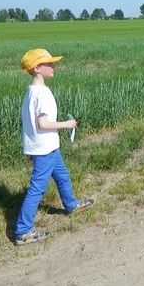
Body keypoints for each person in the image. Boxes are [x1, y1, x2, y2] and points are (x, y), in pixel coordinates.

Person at [14, 48, 95, 245]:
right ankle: (23, 231)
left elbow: (30, 124)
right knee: (37, 189)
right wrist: (67, 124)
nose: (53, 66)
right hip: (44, 149)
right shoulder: (42, 93)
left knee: (62, 175)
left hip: (45, 146)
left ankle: (71, 204)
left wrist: (30, 148)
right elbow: (42, 124)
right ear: (37, 68)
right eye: (49, 63)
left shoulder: (31, 91)